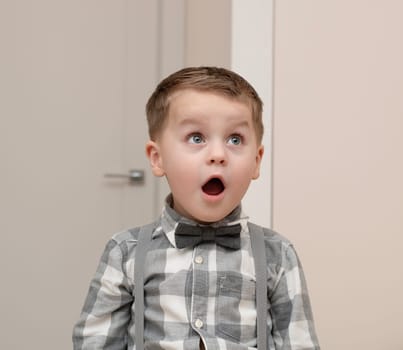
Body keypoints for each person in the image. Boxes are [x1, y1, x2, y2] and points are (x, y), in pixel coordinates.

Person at [72, 66, 320, 349]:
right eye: (197, 138)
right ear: (157, 158)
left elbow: (300, 344)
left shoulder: (278, 255)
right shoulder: (124, 252)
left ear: (256, 160)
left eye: (235, 139)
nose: (217, 155)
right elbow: (94, 343)